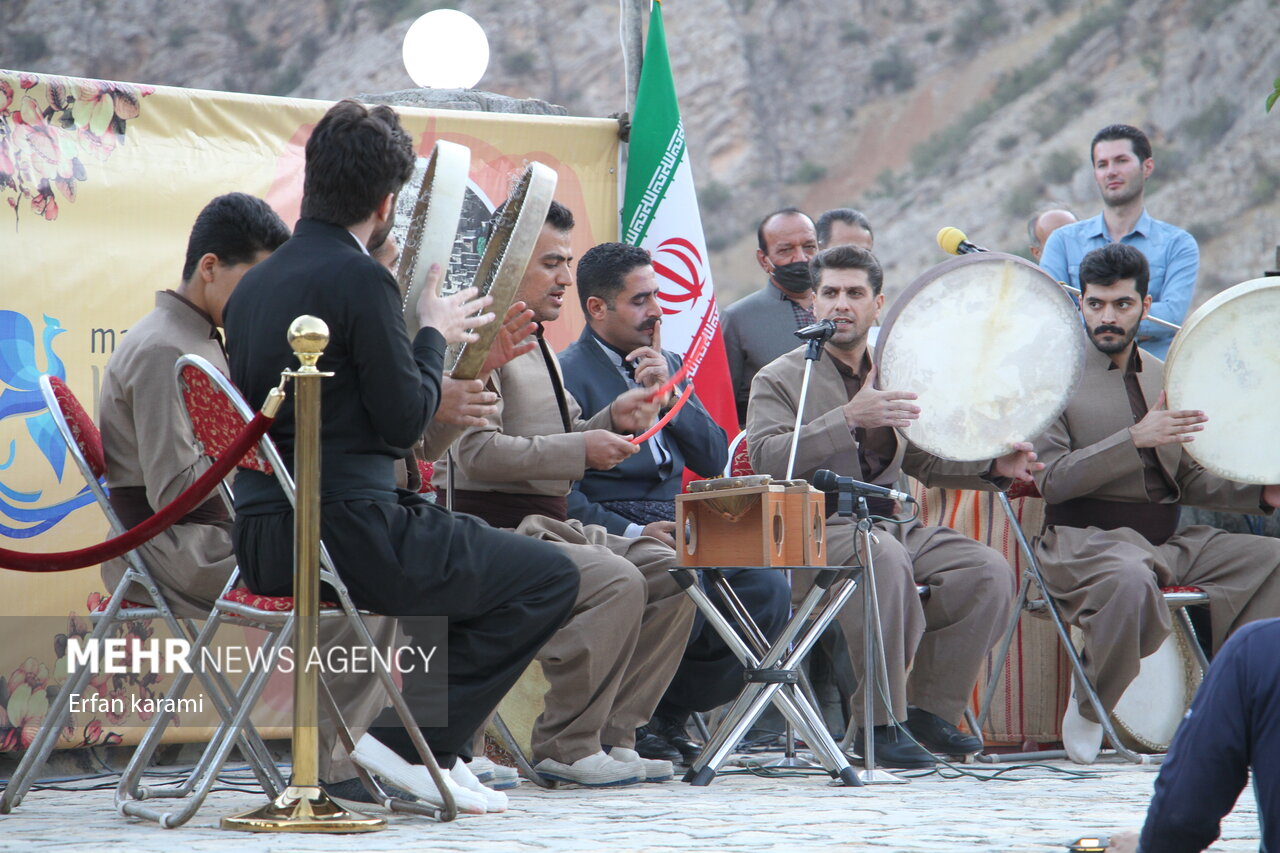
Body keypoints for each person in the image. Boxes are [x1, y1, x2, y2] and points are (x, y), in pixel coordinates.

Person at [223, 100, 579, 812]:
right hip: (347, 532)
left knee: (474, 568)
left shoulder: (253, 285)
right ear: (388, 204)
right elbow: (403, 422)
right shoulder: (362, 280)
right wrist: (431, 330)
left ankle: (436, 745)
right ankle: (409, 742)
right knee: (547, 578)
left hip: (266, 535)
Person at [98, 192, 404, 802]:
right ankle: (332, 766)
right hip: (182, 547)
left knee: (371, 567)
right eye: (254, 279)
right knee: (366, 582)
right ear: (209, 267)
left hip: (206, 534)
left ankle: (339, 757)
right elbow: (178, 490)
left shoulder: (196, 338)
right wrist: (273, 480)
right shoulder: (168, 349)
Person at [427, 203, 696, 787]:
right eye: (552, 262)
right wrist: (582, 451)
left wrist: (612, 418)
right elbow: (472, 455)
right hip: (492, 529)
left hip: (551, 526)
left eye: (568, 262)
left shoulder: (537, 341)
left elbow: (561, 434)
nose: (565, 279)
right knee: (617, 580)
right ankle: (566, 746)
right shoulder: (474, 340)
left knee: (673, 571)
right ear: (510, 265)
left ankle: (614, 735)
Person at [747, 245, 1036, 768]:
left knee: (985, 571)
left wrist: (995, 468)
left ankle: (929, 713)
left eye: (854, 294)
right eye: (830, 292)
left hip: (889, 523)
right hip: (813, 527)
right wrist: (847, 417)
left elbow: (923, 458)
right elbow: (766, 458)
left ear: (877, 305)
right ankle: (877, 725)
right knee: (880, 556)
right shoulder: (781, 376)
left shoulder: (899, 371)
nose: (841, 304)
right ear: (812, 302)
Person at [1031, 242, 1280, 764]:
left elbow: (1186, 478)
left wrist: (1260, 494)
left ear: (1145, 307)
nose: (1107, 316)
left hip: (1167, 540)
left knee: (1270, 560)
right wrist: (1134, 439)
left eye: (1122, 304)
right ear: (1081, 304)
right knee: (1128, 579)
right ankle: (1092, 704)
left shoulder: (1167, 374)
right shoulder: (1051, 378)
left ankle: (1237, 702)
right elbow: (1051, 482)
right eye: (1095, 304)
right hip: (1085, 541)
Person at [558, 241, 789, 763]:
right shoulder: (567, 373)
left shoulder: (672, 363)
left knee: (766, 588)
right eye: (640, 300)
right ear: (598, 308)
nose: (656, 311)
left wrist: (669, 394)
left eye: (658, 296)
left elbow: (711, 457)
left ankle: (669, 714)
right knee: (688, 583)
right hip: (615, 526)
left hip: (680, 520)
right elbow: (565, 492)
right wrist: (633, 534)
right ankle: (636, 722)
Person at [1038, 124, 1198, 359]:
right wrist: (1132, 319)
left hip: (1152, 380)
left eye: (1121, 160)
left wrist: (1088, 319)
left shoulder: (1178, 245)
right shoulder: (1062, 241)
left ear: (1147, 167)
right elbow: (1049, 315)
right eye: (1102, 164)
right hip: (1084, 379)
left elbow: (1171, 317)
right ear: (1095, 174)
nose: (1111, 171)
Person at [722, 207, 819, 425]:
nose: (801, 258)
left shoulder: (843, 309)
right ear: (764, 260)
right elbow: (724, 408)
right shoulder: (737, 320)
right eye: (786, 250)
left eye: (809, 247)